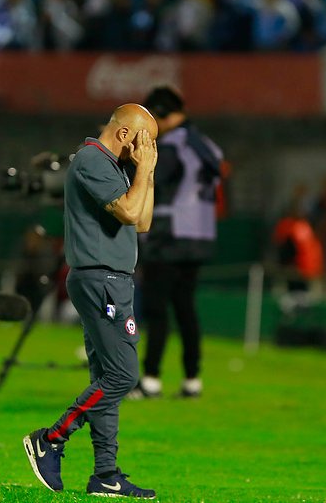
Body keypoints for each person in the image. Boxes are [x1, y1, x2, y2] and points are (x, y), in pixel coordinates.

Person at [23, 104, 158, 499]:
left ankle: (106, 474)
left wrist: (142, 170)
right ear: (122, 136)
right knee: (123, 375)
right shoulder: (91, 160)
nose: (148, 148)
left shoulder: (115, 167)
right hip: (101, 280)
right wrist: (145, 170)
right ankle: (51, 438)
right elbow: (131, 210)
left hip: (112, 281)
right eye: (144, 139)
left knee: (105, 378)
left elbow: (143, 220)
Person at [130, 86, 223, 399]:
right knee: (186, 308)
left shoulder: (171, 144)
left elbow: (152, 180)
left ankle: (152, 378)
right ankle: (192, 378)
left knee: (157, 308)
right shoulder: (206, 144)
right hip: (200, 234)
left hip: (170, 234)